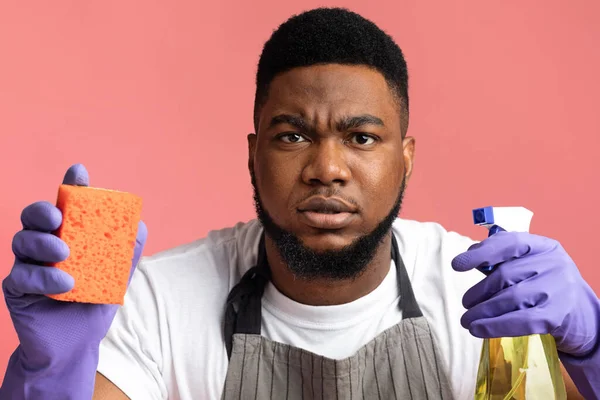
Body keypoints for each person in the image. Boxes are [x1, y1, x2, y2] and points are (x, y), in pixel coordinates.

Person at [1, 7, 598, 400]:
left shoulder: (490, 295)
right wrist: (51, 370)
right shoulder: (157, 303)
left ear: (406, 156)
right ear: (254, 153)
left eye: (361, 138)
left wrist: (593, 349)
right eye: (293, 136)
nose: (327, 169)